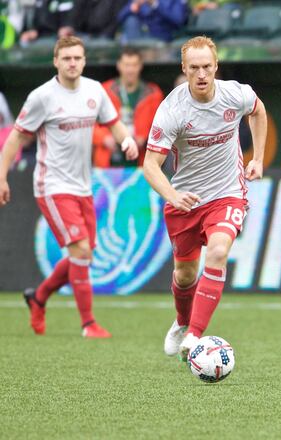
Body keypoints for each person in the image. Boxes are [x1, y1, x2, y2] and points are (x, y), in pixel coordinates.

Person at [0, 36, 138, 338]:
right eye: (66, 59)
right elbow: (16, 138)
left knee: (83, 255)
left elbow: (113, 122)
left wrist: (125, 140)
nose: (72, 63)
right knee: (81, 249)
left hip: (83, 185)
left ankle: (39, 297)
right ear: (56, 62)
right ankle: (88, 323)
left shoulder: (95, 90)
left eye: (77, 58)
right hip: (52, 185)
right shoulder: (42, 97)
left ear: (84, 60)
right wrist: (1, 176)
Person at [142, 36, 267, 360]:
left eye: (207, 67)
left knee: (219, 250)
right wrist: (173, 194)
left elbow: (258, 110)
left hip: (227, 194)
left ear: (216, 66)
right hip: (186, 199)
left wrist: (258, 157)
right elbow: (150, 166)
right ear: (184, 68)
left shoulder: (234, 94)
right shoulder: (172, 110)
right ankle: (183, 322)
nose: (200, 74)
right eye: (194, 68)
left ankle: (195, 335)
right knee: (185, 275)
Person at [93, 47, 164, 167]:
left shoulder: (154, 93)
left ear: (140, 66)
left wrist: (145, 137)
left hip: (141, 159)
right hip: (108, 158)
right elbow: (90, 122)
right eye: (126, 65)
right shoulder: (104, 90)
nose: (130, 70)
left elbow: (161, 125)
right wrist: (104, 138)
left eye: (134, 65)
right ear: (119, 65)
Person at [118, 0, 190, 43]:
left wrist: (155, 4)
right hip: (137, 36)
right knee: (131, 20)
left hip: (160, 37)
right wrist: (132, 6)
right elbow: (119, 17)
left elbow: (178, 20)